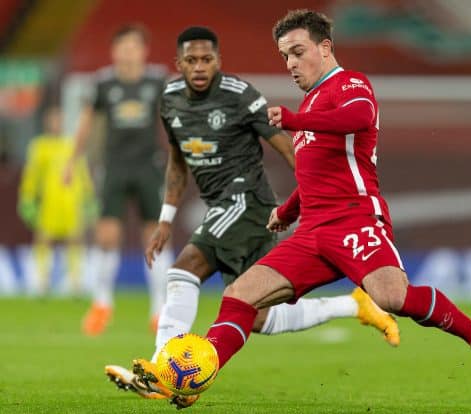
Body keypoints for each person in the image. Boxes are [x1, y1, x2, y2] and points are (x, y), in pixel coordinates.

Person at [152, 10, 471, 409]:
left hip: (354, 218)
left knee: (392, 297)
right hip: (312, 231)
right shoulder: (312, 104)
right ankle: (196, 377)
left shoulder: (350, 85)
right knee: (240, 295)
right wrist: (289, 211)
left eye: (298, 52)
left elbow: (359, 117)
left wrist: (294, 120)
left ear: (325, 48)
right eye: (285, 57)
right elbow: (317, 177)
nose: (291, 64)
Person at [104, 26, 400, 402]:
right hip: (222, 206)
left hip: (249, 202)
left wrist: (315, 199)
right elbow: (178, 162)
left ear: (218, 62)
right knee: (257, 315)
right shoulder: (170, 100)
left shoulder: (241, 96)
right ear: (177, 64)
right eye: (191, 60)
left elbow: (294, 149)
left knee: (183, 269)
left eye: (206, 59)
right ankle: (352, 304)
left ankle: (165, 370)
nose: (199, 67)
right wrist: (165, 217)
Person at [64, 25, 173, 335]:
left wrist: (179, 155)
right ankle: (101, 304)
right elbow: (86, 124)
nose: (128, 52)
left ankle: (158, 309)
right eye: (122, 47)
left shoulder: (156, 80)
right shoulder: (104, 83)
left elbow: (171, 120)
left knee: (154, 237)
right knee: (106, 235)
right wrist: (71, 162)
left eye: (133, 46)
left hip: (148, 167)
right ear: (114, 51)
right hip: (114, 167)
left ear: (143, 50)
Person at [18, 105, 96, 295]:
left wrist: (89, 198)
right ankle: (41, 281)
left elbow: (83, 172)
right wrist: (27, 199)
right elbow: (31, 176)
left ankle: (76, 281)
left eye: (59, 119)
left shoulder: (72, 144)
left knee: (75, 240)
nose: (56, 124)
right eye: (53, 120)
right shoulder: (39, 146)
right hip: (49, 203)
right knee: (44, 239)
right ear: (47, 122)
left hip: (71, 201)